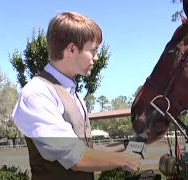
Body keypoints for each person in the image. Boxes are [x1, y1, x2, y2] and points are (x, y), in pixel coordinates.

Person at [12, 11, 141, 180]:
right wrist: (124, 159)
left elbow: (87, 149)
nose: (97, 56)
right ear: (72, 49)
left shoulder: (74, 93)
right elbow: (76, 157)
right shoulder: (37, 93)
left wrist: (132, 144)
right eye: (93, 50)